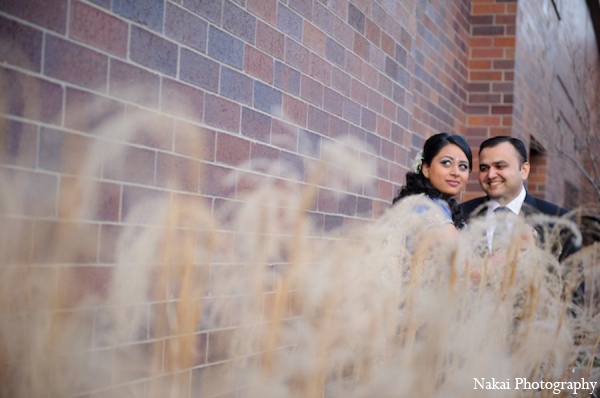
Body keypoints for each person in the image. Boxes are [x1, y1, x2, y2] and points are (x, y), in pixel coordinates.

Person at [460, 136, 578, 261]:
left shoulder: (560, 222)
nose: (490, 175)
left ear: (524, 170)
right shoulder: (461, 214)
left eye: (500, 166)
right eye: (484, 168)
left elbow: (571, 279)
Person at [392, 132, 473, 235]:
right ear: (426, 169)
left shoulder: (417, 200)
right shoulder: (429, 209)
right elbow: (454, 248)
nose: (456, 173)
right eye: (446, 163)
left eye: (463, 166)